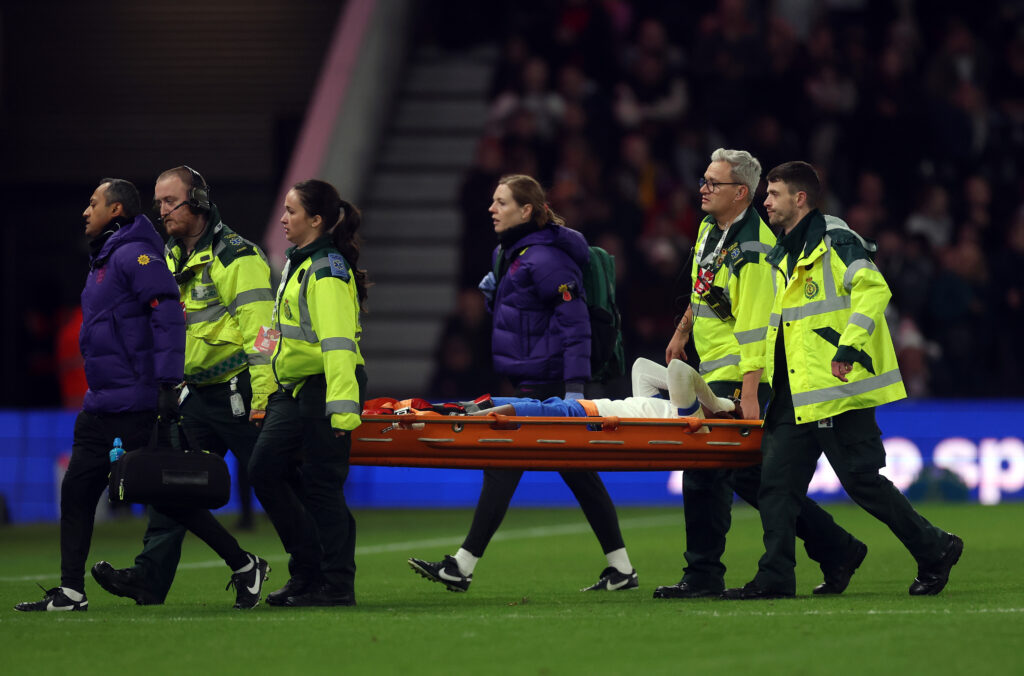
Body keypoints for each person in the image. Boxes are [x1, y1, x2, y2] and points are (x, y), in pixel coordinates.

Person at [722, 161, 962, 599]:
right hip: (794, 392)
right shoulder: (780, 254)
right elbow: (775, 328)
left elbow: (872, 288)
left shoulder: (835, 238)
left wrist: (850, 346)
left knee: (861, 482)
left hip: (838, 389)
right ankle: (775, 576)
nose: (766, 202)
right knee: (774, 485)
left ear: (800, 199)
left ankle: (935, 547)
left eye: (773, 194)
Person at [408, 174, 637, 593]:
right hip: (538, 376)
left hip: (549, 382)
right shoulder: (517, 255)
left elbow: (575, 324)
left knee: (502, 458)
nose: (492, 209)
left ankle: (462, 565)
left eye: (501, 202)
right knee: (578, 471)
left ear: (526, 210)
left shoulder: (544, 259)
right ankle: (621, 569)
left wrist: (574, 389)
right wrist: (498, 294)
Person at [656, 149, 866, 600]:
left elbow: (755, 322)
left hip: (739, 372)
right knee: (748, 477)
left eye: (714, 183)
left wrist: (750, 387)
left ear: (741, 193)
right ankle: (837, 546)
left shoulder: (753, 247)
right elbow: (703, 286)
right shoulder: (711, 228)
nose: (703, 189)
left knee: (705, 471)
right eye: (704, 180)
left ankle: (704, 574)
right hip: (712, 368)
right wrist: (683, 329)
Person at [89, 166, 273, 607]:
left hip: (239, 390)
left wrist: (263, 395)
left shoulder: (239, 256)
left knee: (277, 482)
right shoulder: (165, 259)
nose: (162, 210)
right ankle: (151, 579)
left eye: (171, 201)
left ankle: (316, 574)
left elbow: (263, 332)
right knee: (168, 485)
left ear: (200, 202)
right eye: (159, 203)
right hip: (191, 394)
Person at [15, 180, 189, 610]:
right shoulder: (104, 261)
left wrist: (168, 382)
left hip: (134, 402)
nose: (84, 211)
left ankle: (241, 562)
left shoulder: (136, 255)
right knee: (76, 491)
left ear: (115, 210)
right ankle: (71, 589)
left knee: (164, 496)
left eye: (92, 203)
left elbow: (167, 315)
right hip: (101, 402)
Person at [247, 179, 368, 607]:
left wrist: (341, 412)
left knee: (321, 486)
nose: (282, 218)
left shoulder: (325, 270)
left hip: (323, 388)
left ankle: (335, 584)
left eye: (291, 211)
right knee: (265, 470)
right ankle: (309, 571)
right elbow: (279, 336)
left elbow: (338, 346)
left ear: (316, 221)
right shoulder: (299, 265)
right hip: (295, 388)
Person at [481, 357, 734, 420]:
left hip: (593, 418)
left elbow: (679, 369)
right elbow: (641, 368)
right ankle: (471, 407)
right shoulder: (675, 407)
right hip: (592, 409)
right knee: (540, 406)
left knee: (539, 410)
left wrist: (719, 405)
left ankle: (473, 415)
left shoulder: (690, 417)